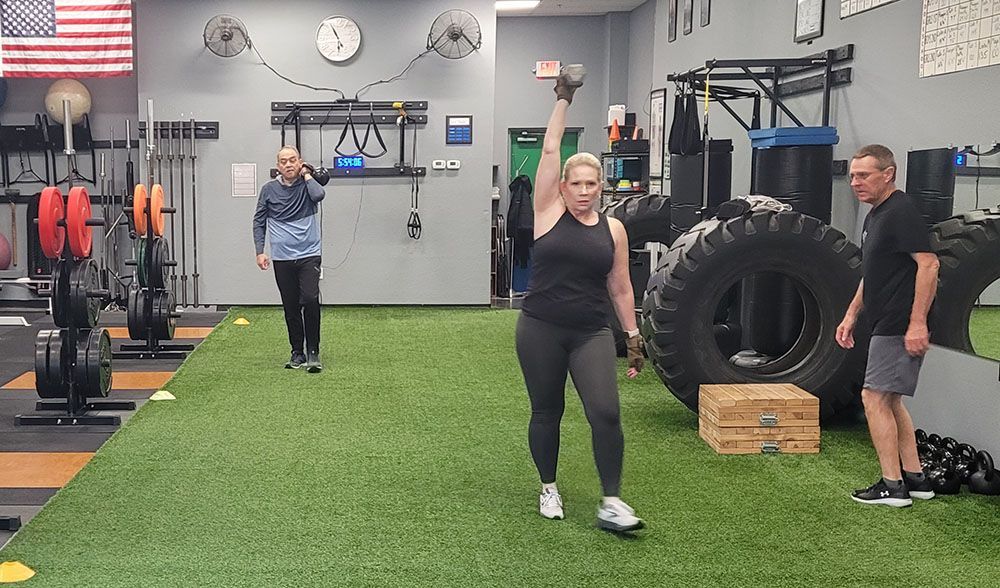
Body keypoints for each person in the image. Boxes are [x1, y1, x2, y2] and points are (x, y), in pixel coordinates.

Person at [514, 66, 645, 532]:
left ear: (601, 187)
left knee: (605, 413)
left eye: (592, 184)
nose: (584, 191)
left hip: (590, 331)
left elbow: (620, 286)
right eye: (577, 184)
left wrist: (633, 335)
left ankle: (612, 501)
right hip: (541, 328)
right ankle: (548, 486)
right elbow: (551, 148)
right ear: (563, 187)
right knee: (547, 411)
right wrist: (563, 97)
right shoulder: (547, 212)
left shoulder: (614, 229)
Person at [836, 144, 940, 507]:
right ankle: (915, 479)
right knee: (890, 399)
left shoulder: (900, 211)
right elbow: (873, 272)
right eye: (852, 176)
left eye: (863, 175)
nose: (855, 182)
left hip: (898, 322)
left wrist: (917, 323)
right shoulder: (876, 215)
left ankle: (892, 486)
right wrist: (851, 314)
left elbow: (929, 265)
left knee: (873, 397)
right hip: (883, 319)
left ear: (888, 174)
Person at [253, 146, 326, 372]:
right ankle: (297, 352)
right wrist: (260, 251)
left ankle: (313, 351)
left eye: (292, 160)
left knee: (310, 299)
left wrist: (307, 175)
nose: (288, 164)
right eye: (283, 161)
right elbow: (259, 221)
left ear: (300, 162)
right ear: (278, 166)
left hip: (309, 254)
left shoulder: (308, 186)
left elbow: (319, 195)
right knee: (290, 306)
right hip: (282, 258)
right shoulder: (268, 190)